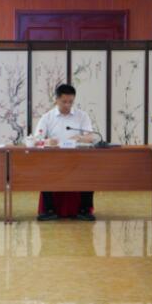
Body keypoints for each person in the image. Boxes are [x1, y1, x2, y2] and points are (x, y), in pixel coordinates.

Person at [34, 84, 96, 221]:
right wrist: (47, 141)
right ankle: (48, 210)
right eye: (64, 102)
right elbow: (37, 139)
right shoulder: (47, 117)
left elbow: (91, 137)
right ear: (56, 100)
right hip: (53, 159)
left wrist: (79, 138)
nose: (67, 105)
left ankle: (84, 210)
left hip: (78, 159)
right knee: (44, 170)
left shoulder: (82, 116)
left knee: (90, 171)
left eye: (70, 102)